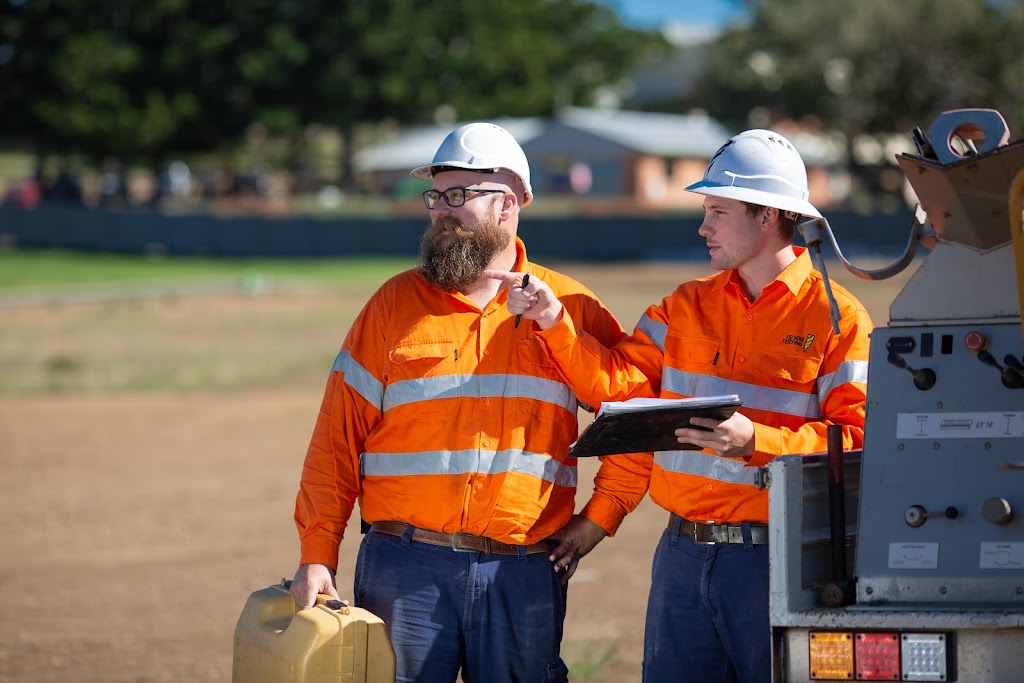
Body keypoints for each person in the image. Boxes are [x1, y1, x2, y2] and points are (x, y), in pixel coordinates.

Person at [486, 129, 873, 682]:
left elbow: (858, 443)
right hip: (683, 557)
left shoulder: (840, 319)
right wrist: (553, 320)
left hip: (783, 562)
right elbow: (615, 389)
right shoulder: (683, 305)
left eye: (718, 210)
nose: (703, 225)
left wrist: (757, 442)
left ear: (768, 216)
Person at [289, 121, 626, 683]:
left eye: (459, 196)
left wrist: (600, 517)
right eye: (436, 195)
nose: (441, 210)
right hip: (405, 566)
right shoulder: (391, 305)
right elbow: (336, 438)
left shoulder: (569, 304)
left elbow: (633, 415)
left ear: (510, 203)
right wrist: (318, 550)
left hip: (521, 570)